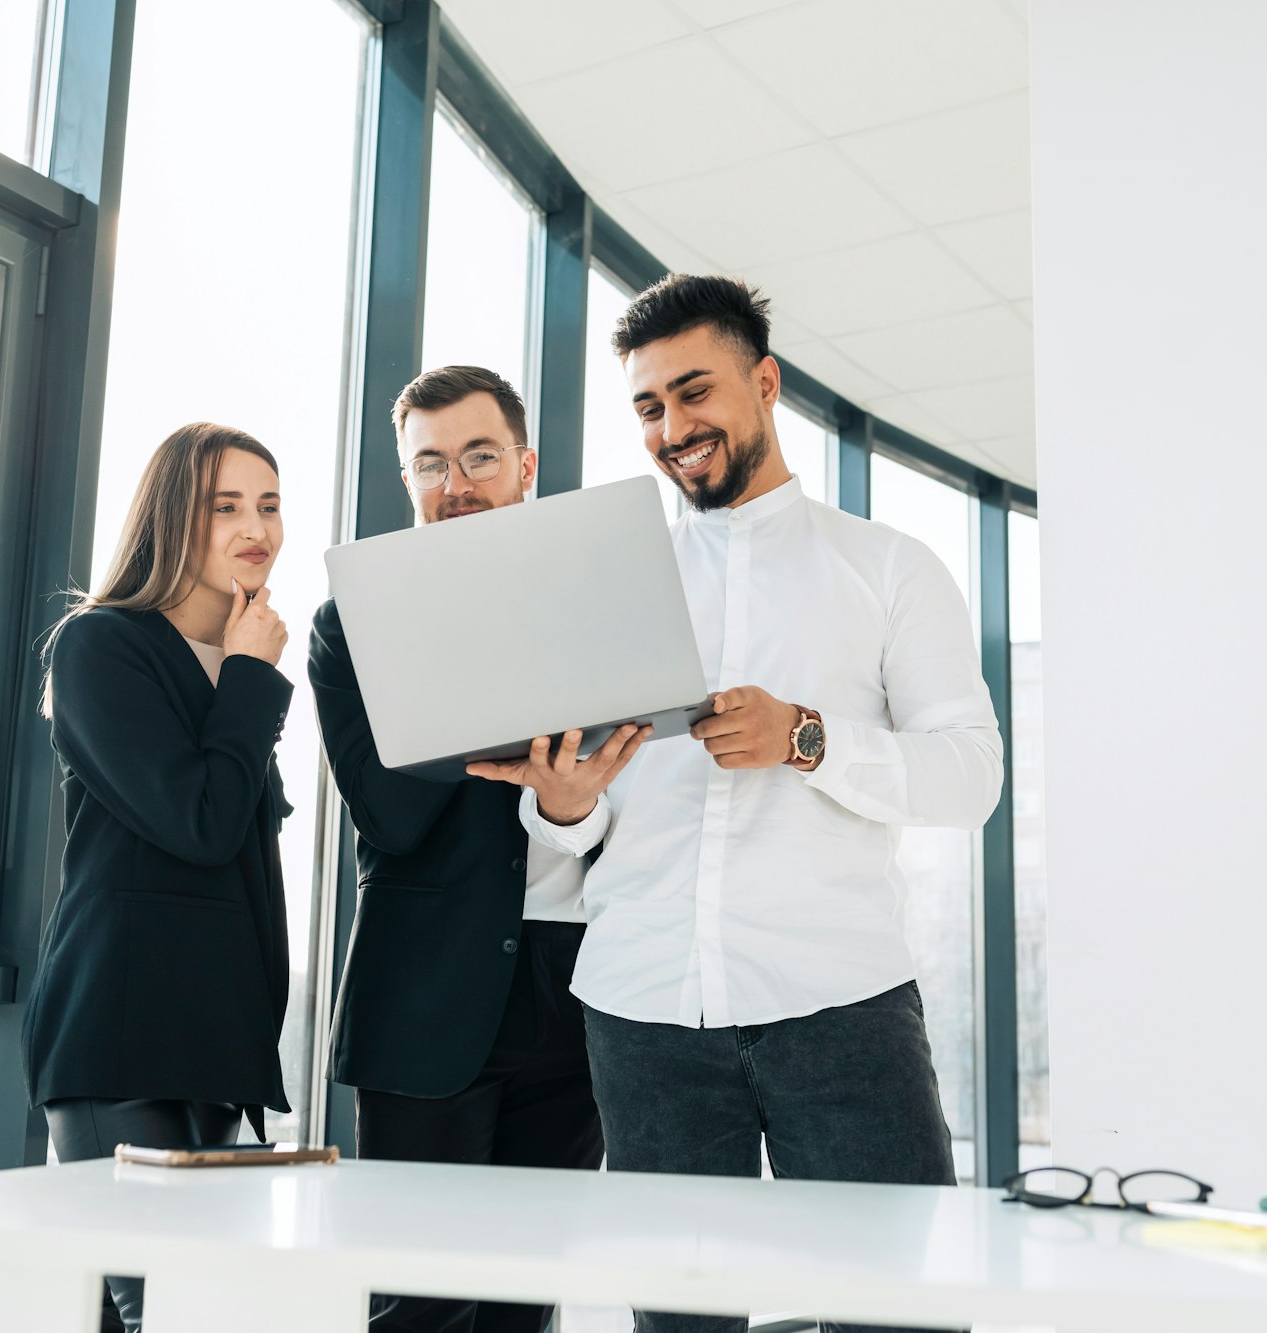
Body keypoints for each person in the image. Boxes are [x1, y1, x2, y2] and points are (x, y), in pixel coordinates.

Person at [488, 276, 1002, 1333]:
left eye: (693, 392)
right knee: (678, 1326)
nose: (673, 428)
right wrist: (567, 807)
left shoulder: (888, 568)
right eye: (646, 407)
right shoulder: (599, 587)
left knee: (898, 1316)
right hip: (642, 1015)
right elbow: (572, 830)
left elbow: (969, 776)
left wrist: (804, 738)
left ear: (762, 384)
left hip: (839, 1005)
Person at [310, 365, 646, 1333]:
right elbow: (387, 812)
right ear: (406, 479)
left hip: (577, 983)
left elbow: (637, 786)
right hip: (426, 988)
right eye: (429, 463)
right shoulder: (351, 623)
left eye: (478, 455)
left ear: (524, 466)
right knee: (419, 1293)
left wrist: (557, 788)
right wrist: (526, 721)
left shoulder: (596, 607)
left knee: (523, 1291)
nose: (454, 482)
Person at [22, 422, 295, 1333]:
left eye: (267, 503)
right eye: (225, 506)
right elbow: (202, 822)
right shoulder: (100, 644)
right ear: (172, 516)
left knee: (174, 1309)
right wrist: (252, 677)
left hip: (216, 1043)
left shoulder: (234, 656)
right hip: (122, 1034)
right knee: (175, 1312)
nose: (254, 526)